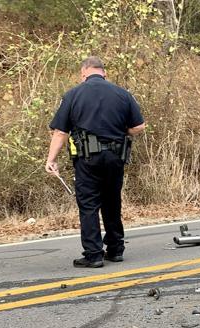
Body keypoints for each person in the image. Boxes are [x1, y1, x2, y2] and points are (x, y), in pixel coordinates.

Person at [45, 56, 147, 268]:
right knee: (112, 201)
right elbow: (139, 126)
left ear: (83, 73)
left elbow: (60, 132)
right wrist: (120, 131)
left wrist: (51, 159)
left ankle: (94, 255)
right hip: (115, 157)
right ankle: (116, 250)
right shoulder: (123, 94)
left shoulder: (73, 95)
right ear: (104, 73)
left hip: (88, 159)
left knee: (89, 204)